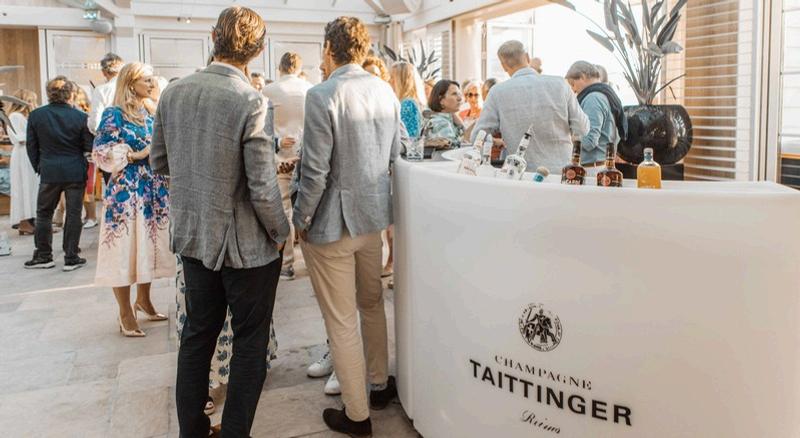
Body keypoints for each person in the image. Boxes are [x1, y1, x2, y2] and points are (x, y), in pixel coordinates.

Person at [151, 6, 289, 437]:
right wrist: (281, 233)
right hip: (247, 246)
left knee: (197, 336)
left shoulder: (173, 93)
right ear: (259, 50)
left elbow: (159, 162)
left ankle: (192, 430)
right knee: (250, 343)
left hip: (194, 236)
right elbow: (262, 186)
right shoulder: (252, 101)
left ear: (213, 37)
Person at [294, 16, 403, 437]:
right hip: (372, 219)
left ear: (328, 48)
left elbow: (315, 171)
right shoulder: (385, 91)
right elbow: (396, 154)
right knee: (371, 304)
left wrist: (301, 218)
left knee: (341, 320)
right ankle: (379, 384)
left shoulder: (322, 93)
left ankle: (357, 415)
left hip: (332, 225)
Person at [92, 62, 175, 337]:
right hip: (127, 191)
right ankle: (125, 311)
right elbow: (100, 152)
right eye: (147, 80)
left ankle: (144, 300)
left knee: (148, 246)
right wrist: (134, 154)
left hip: (154, 187)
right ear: (130, 83)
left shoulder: (151, 111)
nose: (152, 84)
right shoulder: (114, 114)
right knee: (124, 249)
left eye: (153, 80)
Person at [472, 40, 589, 172]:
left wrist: (495, 142)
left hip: (521, 174)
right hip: (562, 171)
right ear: (527, 58)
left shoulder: (497, 92)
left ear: (503, 66)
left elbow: (477, 136)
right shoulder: (560, 84)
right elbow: (583, 128)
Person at [24, 77, 93, 271]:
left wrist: (39, 166)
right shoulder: (81, 117)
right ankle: (71, 257)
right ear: (71, 94)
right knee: (73, 214)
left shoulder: (36, 115)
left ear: (48, 94)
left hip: (49, 170)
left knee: (44, 213)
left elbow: (31, 146)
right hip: (75, 170)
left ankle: (44, 255)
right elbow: (88, 146)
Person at [262, 52, 312, 281]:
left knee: (284, 211)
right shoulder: (310, 89)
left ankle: (287, 264)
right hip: (306, 157)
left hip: (280, 158)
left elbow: (262, 129)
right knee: (309, 209)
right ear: (299, 67)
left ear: (279, 67)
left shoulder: (268, 90)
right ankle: (311, 261)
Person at [566, 61, 627, 175]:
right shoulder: (605, 94)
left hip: (591, 169)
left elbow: (589, 142)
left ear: (582, 77)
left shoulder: (593, 99)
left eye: (572, 84)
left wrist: (568, 136)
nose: (573, 90)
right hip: (598, 165)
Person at [6, 89, 38, 236]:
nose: (33, 103)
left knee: (31, 187)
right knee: (23, 186)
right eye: (31, 100)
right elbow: (18, 137)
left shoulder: (24, 116)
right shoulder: (15, 116)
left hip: (28, 153)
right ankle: (24, 223)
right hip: (22, 154)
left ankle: (31, 221)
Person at [70, 84, 99, 229]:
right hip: (84, 156)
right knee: (86, 189)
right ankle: (88, 216)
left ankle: (92, 217)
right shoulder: (83, 113)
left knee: (88, 189)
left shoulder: (84, 114)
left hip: (87, 157)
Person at [88, 53, 124, 133]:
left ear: (104, 72)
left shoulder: (101, 90)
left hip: (109, 136)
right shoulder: (131, 87)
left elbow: (95, 123)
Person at [426, 79, 465, 148]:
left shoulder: (449, 119)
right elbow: (453, 149)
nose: (460, 98)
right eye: (454, 94)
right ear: (441, 100)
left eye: (459, 94)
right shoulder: (440, 122)